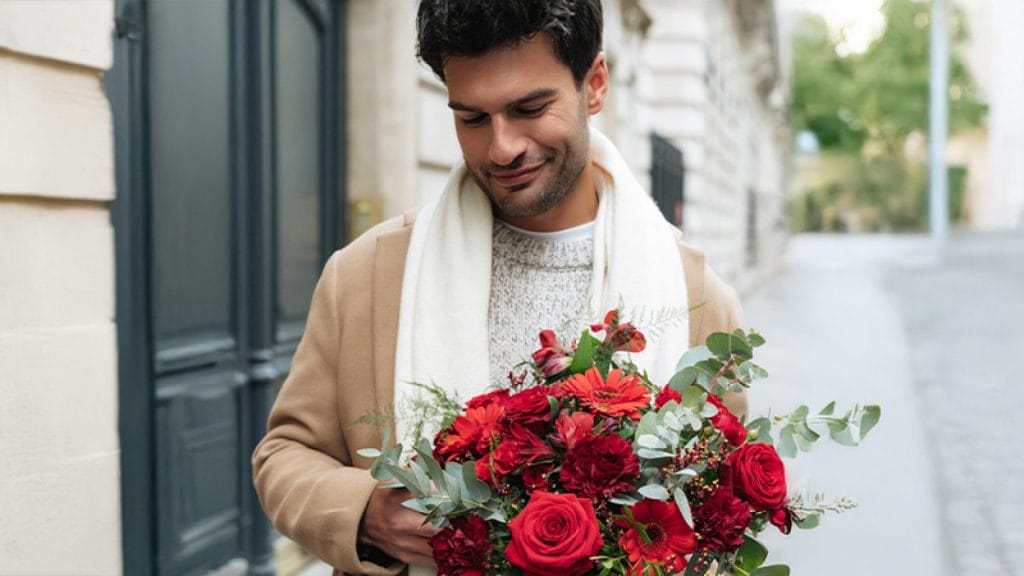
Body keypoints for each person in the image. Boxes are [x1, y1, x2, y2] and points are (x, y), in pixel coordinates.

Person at [252, 1, 745, 574]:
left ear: (595, 84)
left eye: (529, 108)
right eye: (472, 118)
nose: (502, 147)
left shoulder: (697, 299)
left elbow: (717, 509)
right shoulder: (364, 275)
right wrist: (364, 513)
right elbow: (285, 453)